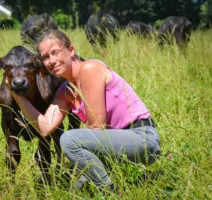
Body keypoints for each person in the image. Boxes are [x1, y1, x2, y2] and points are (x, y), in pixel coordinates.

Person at [10, 29, 161, 192]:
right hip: (112, 146)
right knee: (76, 191)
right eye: (46, 57)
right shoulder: (65, 91)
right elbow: (45, 127)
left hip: (142, 139)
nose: (52, 61)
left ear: (71, 50)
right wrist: (16, 94)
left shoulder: (90, 68)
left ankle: (109, 192)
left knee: (68, 139)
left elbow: (97, 126)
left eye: (55, 53)